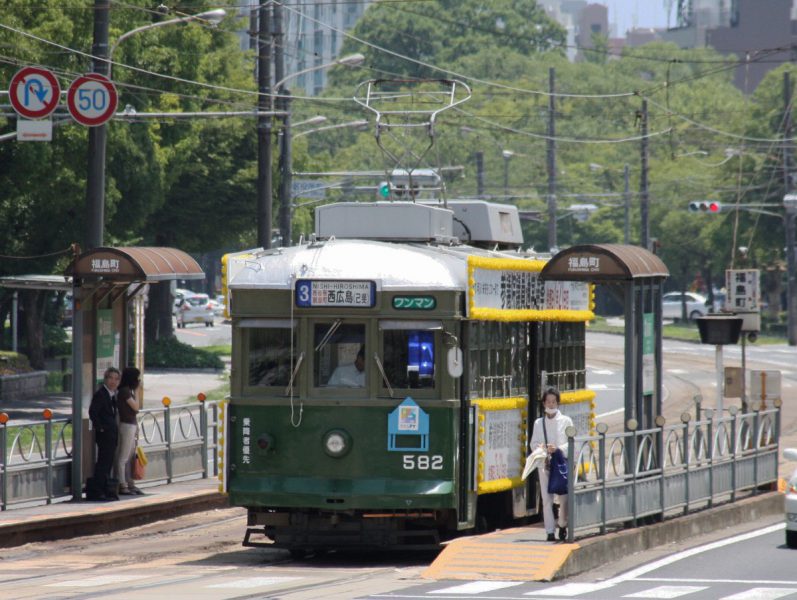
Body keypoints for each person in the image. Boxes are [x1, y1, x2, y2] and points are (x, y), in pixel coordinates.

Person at [530, 387, 573, 542]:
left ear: (558, 403)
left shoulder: (566, 421)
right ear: (543, 403)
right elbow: (533, 443)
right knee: (546, 498)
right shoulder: (538, 423)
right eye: (548, 401)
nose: (551, 404)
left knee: (564, 497)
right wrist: (540, 448)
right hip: (545, 463)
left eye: (554, 401)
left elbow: (572, 443)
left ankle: (562, 523)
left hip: (560, 463)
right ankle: (549, 531)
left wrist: (558, 449)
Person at [88, 367, 121, 500]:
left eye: (116, 379)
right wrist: (100, 428)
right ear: (105, 379)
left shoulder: (112, 395)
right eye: (110, 378)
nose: (113, 381)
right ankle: (98, 490)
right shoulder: (101, 394)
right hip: (105, 434)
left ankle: (106, 489)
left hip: (111, 434)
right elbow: (93, 412)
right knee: (103, 462)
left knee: (108, 462)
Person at [114, 367, 144, 496]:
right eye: (137, 378)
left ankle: (129, 483)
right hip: (126, 425)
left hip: (131, 425)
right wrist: (137, 391)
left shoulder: (127, 391)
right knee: (123, 457)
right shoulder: (125, 392)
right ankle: (122, 484)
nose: (138, 381)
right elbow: (136, 407)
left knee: (130, 456)